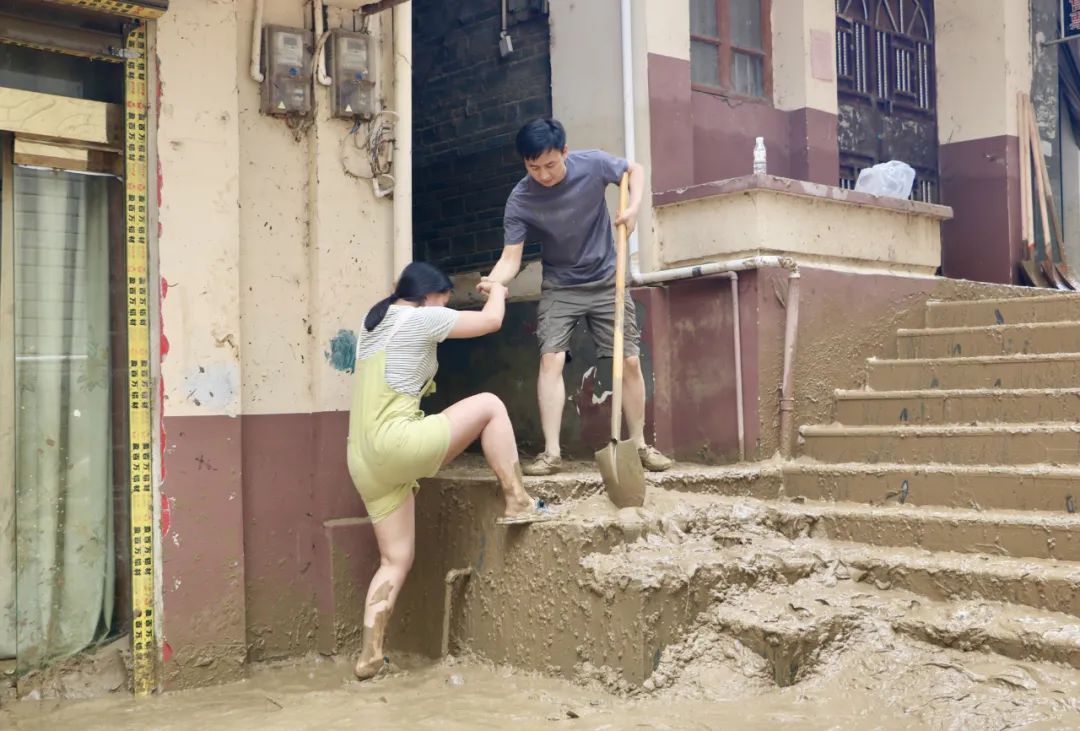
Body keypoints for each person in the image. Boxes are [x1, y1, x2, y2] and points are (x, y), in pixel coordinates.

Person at [347, 261, 548, 681]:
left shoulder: (374, 324)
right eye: (444, 299)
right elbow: (492, 321)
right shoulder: (422, 317)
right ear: (430, 296)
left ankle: (370, 655)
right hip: (396, 443)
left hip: (363, 459)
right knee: (491, 405)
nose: (445, 306)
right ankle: (517, 499)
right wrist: (498, 291)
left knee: (394, 559)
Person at [478, 118, 674, 476]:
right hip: (561, 286)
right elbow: (511, 258)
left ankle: (641, 446)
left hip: (605, 280)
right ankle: (552, 453)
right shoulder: (521, 198)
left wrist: (633, 208)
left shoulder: (593, 164)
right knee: (551, 359)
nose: (544, 175)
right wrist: (493, 281)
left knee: (628, 361)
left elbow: (635, 169)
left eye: (550, 165)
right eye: (533, 167)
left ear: (565, 152)